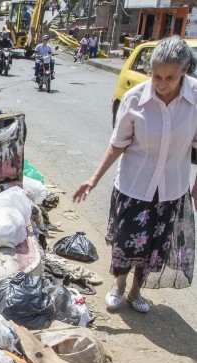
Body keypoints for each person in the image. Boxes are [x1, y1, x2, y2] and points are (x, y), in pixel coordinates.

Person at [73, 36, 197, 313]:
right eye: (156, 76)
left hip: (172, 190)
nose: (161, 83)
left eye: (170, 77)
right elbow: (118, 144)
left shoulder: (196, 99)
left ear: (185, 71)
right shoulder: (135, 99)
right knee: (127, 243)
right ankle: (118, 286)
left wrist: (196, 188)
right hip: (134, 187)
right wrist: (94, 178)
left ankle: (135, 291)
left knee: (154, 248)